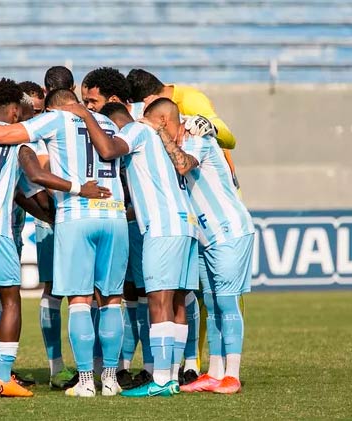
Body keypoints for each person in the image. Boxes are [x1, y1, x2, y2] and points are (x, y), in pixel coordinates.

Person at [0, 78, 110, 398]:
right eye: (24, 113)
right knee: (10, 299)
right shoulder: (21, 144)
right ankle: (1, 376)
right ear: (14, 111)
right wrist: (68, 204)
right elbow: (37, 187)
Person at [0, 88, 129, 397]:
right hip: (114, 214)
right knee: (111, 300)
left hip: (75, 214)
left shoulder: (56, 119)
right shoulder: (107, 124)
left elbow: (3, 136)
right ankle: (110, 378)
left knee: (80, 300)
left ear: (56, 107)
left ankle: (85, 382)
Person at [63, 100, 199, 398]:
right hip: (186, 225)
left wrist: (86, 116)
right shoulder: (165, 141)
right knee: (177, 303)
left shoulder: (137, 130)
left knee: (158, 302)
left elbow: (109, 150)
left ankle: (161, 380)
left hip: (162, 229)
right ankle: (172, 376)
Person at [127, 68, 241, 376]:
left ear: (153, 101)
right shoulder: (168, 116)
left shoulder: (190, 102)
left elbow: (229, 137)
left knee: (213, 299)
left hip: (218, 216)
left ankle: (212, 368)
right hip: (192, 217)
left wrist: (208, 127)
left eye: (145, 108)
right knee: (199, 294)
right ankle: (206, 369)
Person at [144, 98, 254, 394]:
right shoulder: (183, 139)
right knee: (213, 305)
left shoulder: (195, 137)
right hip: (205, 237)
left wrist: (160, 132)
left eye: (154, 126)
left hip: (228, 231)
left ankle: (232, 375)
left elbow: (183, 165)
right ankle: (215, 372)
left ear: (163, 122)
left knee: (227, 302)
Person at [80, 66, 151, 389]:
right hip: (117, 219)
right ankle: (117, 367)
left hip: (143, 223)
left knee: (152, 295)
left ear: (112, 100)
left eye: (91, 101)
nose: (88, 107)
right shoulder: (95, 126)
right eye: (84, 102)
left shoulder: (135, 124)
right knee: (118, 295)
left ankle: (158, 366)